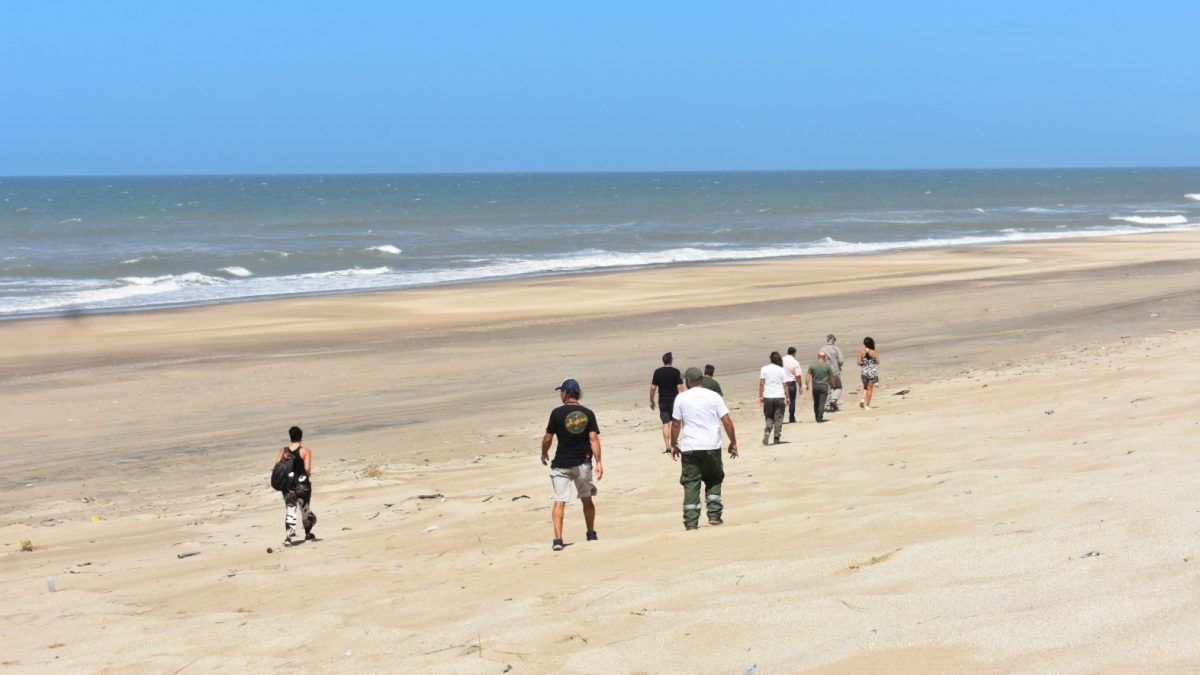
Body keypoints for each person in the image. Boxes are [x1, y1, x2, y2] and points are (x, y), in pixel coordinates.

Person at [671, 367, 739, 530]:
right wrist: (733, 442)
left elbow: (675, 424)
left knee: (691, 482)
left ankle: (691, 521)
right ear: (701, 379)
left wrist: (673, 444)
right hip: (711, 445)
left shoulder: (681, 398)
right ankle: (714, 515)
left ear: (688, 381)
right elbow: (727, 421)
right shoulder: (714, 396)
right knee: (714, 478)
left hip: (690, 447)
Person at [541, 378, 603, 552]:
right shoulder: (588, 413)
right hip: (583, 463)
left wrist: (544, 453)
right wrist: (598, 462)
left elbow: (548, 437)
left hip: (562, 463)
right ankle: (591, 534)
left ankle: (558, 539)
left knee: (559, 501)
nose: (561, 394)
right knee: (586, 498)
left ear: (567, 393)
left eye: (562, 392)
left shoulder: (557, 413)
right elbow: (593, 438)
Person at [276, 426, 317, 546]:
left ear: (290, 438)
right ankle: (308, 534)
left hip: (287, 485)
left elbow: (277, 466)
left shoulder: (283, 451)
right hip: (302, 484)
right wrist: (306, 475)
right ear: (301, 438)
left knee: (290, 509)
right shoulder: (305, 451)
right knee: (304, 508)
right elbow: (307, 468)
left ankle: (288, 538)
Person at [649, 352, 684, 454]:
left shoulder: (657, 372)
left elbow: (653, 388)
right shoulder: (675, 372)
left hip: (663, 401)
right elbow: (680, 387)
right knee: (675, 423)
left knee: (665, 423)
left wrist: (651, 401)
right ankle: (674, 444)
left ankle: (668, 447)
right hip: (674, 401)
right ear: (671, 360)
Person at [758, 351, 791, 445]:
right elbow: (785, 385)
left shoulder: (764, 368)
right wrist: (788, 397)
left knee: (769, 416)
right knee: (778, 417)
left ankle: (767, 430)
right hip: (779, 396)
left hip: (768, 396)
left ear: (770, 359)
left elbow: (761, 383)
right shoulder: (781, 370)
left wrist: (760, 396)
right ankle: (776, 438)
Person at [804, 351, 835, 422]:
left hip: (815, 385)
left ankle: (816, 416)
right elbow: (831, 376)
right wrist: (833, 384)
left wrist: (807, 384)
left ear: (818, 356)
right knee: (822, 403)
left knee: (816, 402)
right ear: (824, 357)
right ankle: (819, 417)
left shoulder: (812, 365)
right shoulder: (827, 366)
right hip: (824, 386)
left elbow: (808, 375)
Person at [819, 334, 845, 412]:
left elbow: (820, 361)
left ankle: (827, 406)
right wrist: (838, 365)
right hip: (835, 371)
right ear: (834, 340)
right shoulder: (836, 348)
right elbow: (841, 360)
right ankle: (833, 400)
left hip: (825, 371)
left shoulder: (822, 349)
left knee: (828, 388)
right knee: (838, 387)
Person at [781, 347, 805, 423]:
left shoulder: (781, 360)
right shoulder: (795, 362)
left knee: (781, 401)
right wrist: (800, 386)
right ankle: (791, 418)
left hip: (782, 383)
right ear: (794, 353)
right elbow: (798, 376)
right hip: (791, 383)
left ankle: (779, 419)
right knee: (792, 401)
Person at [859, 337, 881, 410]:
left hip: (864, 372)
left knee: (865, 387)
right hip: (872, 373)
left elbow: (859, 363)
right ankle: (867, 405)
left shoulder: (861, 352)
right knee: (870, 389)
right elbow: (878, 362)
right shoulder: (874, 352)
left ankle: (863, 399)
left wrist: (864, 363)